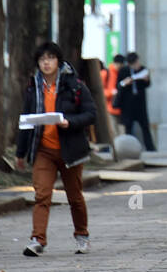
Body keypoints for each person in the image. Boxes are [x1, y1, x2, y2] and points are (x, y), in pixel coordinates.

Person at [15, 42, 96, 256]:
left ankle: (82, 235)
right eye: (42, 59)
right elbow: (26, 120)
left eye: (50, 58)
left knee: (74, 196)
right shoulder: (34, 86)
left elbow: (90, 114)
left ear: (58, 61)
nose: (46, 63)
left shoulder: (74, 84)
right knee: (42, 195)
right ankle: (37, 239)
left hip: (71, 150)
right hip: (44, 150)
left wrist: (69, 122)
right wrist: (20, 153)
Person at [117, 51, 154, 151]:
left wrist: (146, 80)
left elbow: (147, 84)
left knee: (145, 127)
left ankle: (150, 148)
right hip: (128, 104)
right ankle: (130, 148)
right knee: (128, 127)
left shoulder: (142, 70)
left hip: (140, 103)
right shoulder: (124, 70)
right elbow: (119, 85)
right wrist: (126, 83)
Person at [102, 54, 124, 131]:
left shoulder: (122, 73)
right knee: (114, 133)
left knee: (122, 133)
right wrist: (111, 93)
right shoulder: (106, 73)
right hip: (110, 109)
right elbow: (100, 92)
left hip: (121, 109)